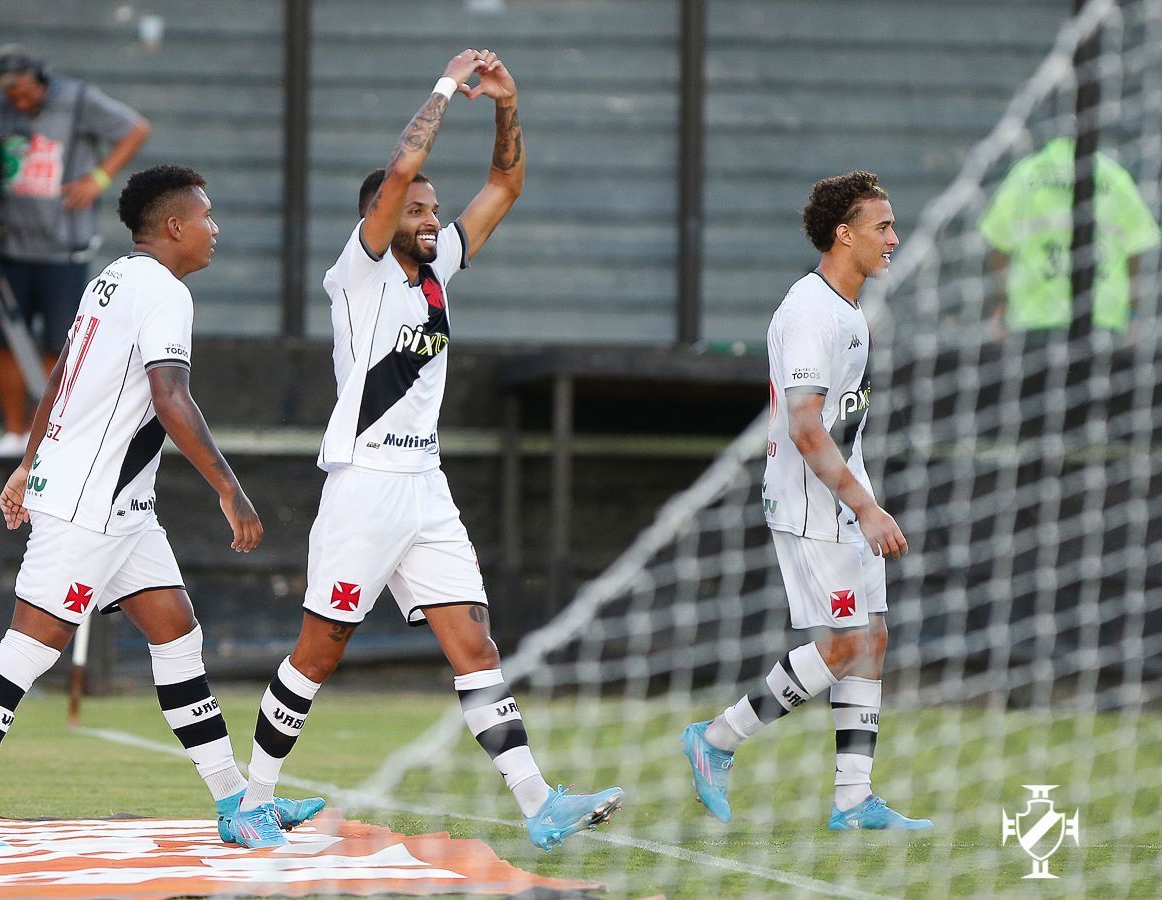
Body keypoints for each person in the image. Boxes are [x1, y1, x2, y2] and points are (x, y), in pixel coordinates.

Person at [226, 50, 623, 851]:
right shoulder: (360, 267)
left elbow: (505, 187)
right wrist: (446, 86)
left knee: (474, 645)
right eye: (413, 207)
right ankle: (249, 802)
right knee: (320, 650)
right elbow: (406, 160)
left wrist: (506, 105)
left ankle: (540, 802)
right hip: (365, 485)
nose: (429, 215)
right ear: (379, 213)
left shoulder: (437, 265)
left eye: (432, 207)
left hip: (425, 487)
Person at [0, 165, 323, 850]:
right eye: (206, 217)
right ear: (172, 227)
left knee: (176, 631)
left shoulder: (110, 278)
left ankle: (235, 802)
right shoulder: (163, 292)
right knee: (29, 647)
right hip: (87, 506)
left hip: (120, 506)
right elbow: (171, 398)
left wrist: (25, 462)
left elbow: (62, 378)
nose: (214, 229)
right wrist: (229, 488)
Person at [682, 172, 932, 831]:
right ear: (842, 235)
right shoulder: (808, 312)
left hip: (845, 493)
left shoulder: (848, 309)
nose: (892, 239)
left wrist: (862, 499)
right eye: (881, 227)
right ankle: (716, 739)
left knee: (870, 639)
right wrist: (865, 506)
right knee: (847, 643)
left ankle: (852, 801)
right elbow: (804, 426)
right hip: (807, 500)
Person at [0, 44, 151, 456]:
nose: (19, 101)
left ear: (40, 78)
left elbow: (135, 128)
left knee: (60, 340)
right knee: (4, 341)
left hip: (62, 246)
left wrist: (99, 178)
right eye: (10, 94)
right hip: (9, 243)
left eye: (24, 92)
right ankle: (15, 430)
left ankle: (51, 434)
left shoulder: (76, 99)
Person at [980, 136, 1161, 340]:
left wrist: (1005, 302)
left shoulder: (1026, 173)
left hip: (1034, 320)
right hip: (1102, 319)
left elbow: (998, 249)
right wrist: (1131, 312)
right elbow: (1137, 251)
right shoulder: (1114, 175)